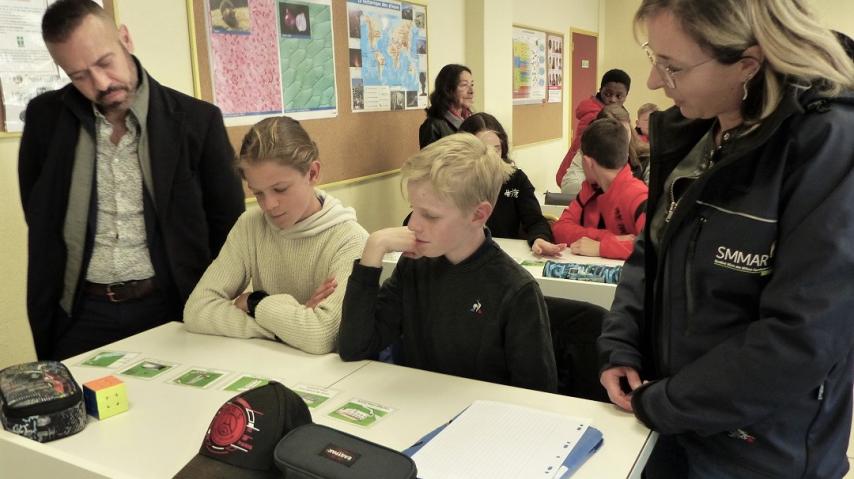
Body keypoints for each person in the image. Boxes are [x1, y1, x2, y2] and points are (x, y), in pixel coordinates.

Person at [597, 1, 854, 477]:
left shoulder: (830, 145)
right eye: (655, 57)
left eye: (672, 67)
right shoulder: (693, 132)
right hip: (669, 423)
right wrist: (622, 345)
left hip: (763, 451)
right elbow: (651, 252)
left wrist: (664, 402)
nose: (654, 82)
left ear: (747, 65)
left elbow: (802, 337)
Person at [18, 0, 245, 360]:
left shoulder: (197, 122)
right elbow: (39, 214)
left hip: (173, 310)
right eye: (79, 76)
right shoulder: (45, 120)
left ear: (125, 38)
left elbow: (229, 228)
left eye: (104, 63)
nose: (100, 83)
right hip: (80, 317)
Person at [338, 134, 558, 393]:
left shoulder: (516, 290)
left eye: (430, 215)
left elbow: (539, 397)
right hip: (420, 410)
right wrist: (373, 251)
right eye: (414, 209)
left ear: (478, 215)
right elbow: (354, 347)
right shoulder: (415, 265)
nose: (412, 225)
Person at [183, 117, 368, 354]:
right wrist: (289, 323)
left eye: (280, 189)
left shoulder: (351, 240)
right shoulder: (250, 225)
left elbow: (322, 336)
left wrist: (254, 302)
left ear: (312, 173)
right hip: (268, 365)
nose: (269, 205)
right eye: (258, 193)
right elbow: (196, 310)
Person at [457, 112, 565, 256]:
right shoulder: (452, 181)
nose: (492, 157)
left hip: (501, 255)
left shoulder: (515, 179)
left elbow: (535, 221)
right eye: (484, 150)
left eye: (497, 149)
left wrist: (539, 239)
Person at [552, 118, 648, 260]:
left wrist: (600, 247)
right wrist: (605, 238)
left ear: (587, 162)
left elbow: (653, 247)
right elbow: (560, 229)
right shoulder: (589, 189)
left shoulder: (638, 195)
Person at [554, 69, 631, 187]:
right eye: (608, 94)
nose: (613, 99)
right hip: (577, 177)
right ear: (600, 91)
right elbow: (587, 151)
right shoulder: (594, 116)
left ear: (626, 96)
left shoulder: (619, 114)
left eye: (619, 96)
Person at [561, 103, 650, 196]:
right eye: (612, 134)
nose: (620, 138)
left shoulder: (646, 157)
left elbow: (653, 197)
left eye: (624, 132)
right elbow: (568, 187)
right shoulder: (588, 152)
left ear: (630, 129)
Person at [418, 64, 473, 148]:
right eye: (464, 85)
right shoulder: (432, 126)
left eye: (472, 85)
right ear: (448, 89)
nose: (471, 91)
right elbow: (430, 160)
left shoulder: (472, 119)